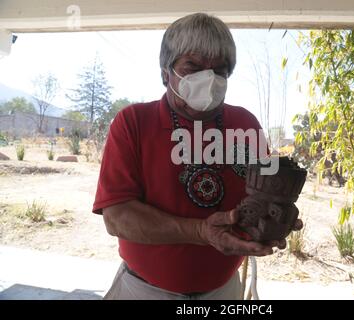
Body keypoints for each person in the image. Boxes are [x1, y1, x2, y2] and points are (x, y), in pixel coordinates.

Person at [92, 12, 301, 300]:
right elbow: (116, 218)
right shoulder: (134, 123)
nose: (209, 79)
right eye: (193, 66)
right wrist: (201, 231)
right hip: (144, 291)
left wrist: (278, 214)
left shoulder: (246, 124)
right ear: (166, 72)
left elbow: (263, 197)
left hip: (223, 291)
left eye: (220, 70)